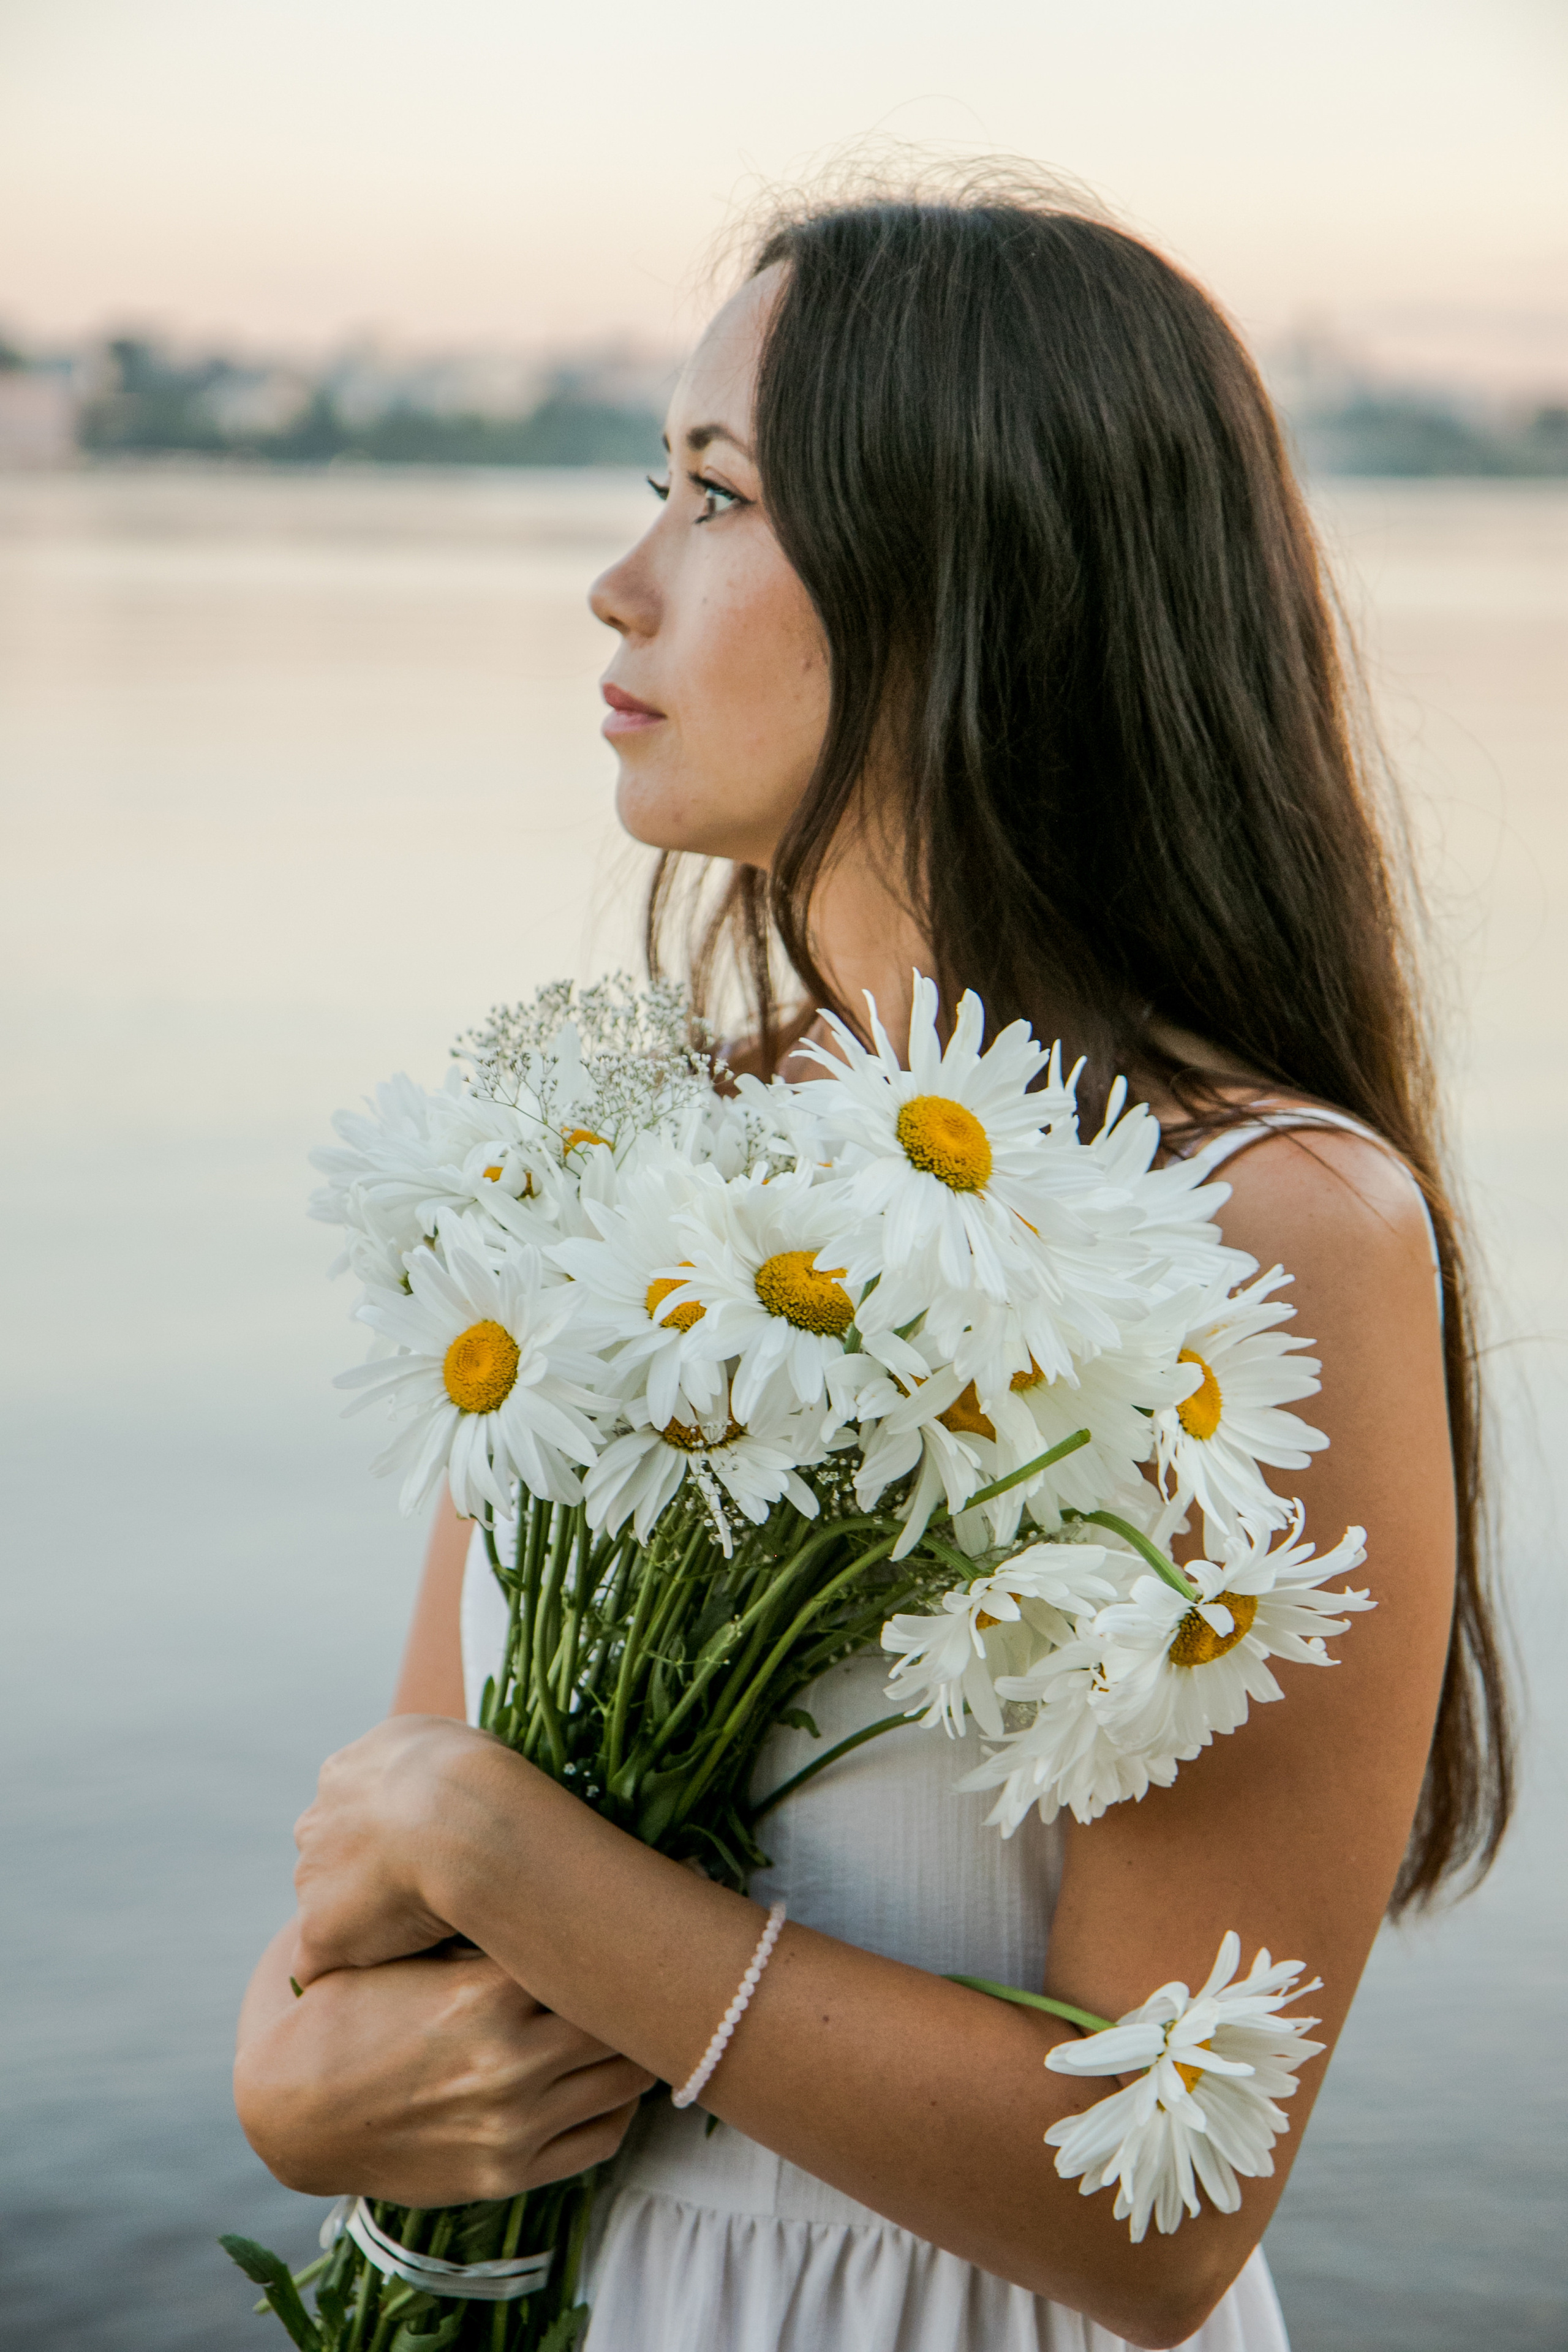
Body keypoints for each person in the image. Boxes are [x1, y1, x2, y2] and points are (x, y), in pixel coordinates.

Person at [233, 177, 1512, 2350]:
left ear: (971, 576)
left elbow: (1161, 2207)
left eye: (715, 498)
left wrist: (518, 1863)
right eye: (658, 485)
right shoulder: (631, 1168)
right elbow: (373, 1910)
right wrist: (298, 2091)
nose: (618, 585)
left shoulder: (1270, 1226)